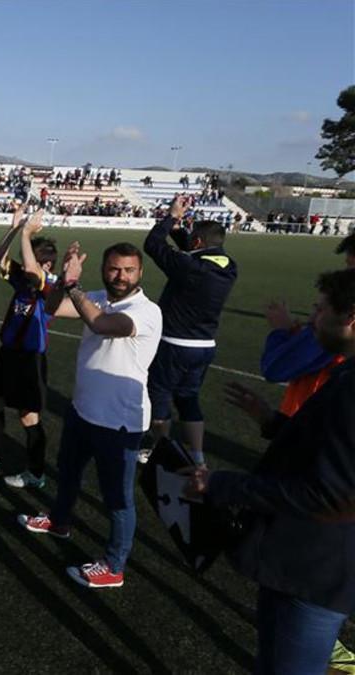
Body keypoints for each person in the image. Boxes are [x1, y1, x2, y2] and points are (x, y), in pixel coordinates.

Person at [187, 268, 355, 674]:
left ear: (350, 317)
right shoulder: (347, 373)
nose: (312, 318)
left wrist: (222, 484)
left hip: (314, 568)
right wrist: (271, 421)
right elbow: (330, 450)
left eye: (320, 310)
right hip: (302, 562)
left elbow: (332, 495)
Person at [19, 241, 163, 589]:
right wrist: (61, 281)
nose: (121, 276)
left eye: (128, 270)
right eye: (114, 268)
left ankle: (114, 566)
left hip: (119, 422)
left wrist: (73, 285)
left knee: (118, 498)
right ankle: (59, 521)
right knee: (68, 474)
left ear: (140, 272)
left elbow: (102, 325)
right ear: (103, 268)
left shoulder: (147, 311)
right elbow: (52, 308)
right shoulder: (97, 295)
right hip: (83, 411)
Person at [0, 207, 58, 492]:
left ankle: (36, 473)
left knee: (28, 416)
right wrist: (15, 227)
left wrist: (28, 233)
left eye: (31, 255)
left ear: (48, 266)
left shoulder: (47, 284)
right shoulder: (25, 280)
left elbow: (31, 268)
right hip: (8, 354)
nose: (24, 260)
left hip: (30, 360)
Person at [143, 195, 239, 466]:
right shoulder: (228, 267)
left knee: (159, 396)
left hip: (174, 344)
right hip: (204, 347)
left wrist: (172, 216)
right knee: (188, 399)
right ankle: (197, 457)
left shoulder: (188, 267)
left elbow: (152, 244)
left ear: (198, 242)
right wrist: (179, 230)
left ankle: (161, 452)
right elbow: (196, 250)